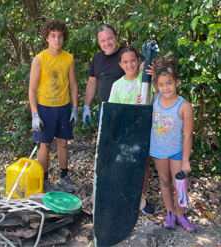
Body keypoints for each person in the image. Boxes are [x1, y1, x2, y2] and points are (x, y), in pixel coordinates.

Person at [138, 53, 197, 232]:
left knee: (180, 183)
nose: (165, 88)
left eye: (169, 83)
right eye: (162, 85)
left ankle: (181, 215)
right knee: (164, 182)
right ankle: (170, 213)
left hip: (177, 151)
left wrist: (186, 160)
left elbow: (188, 136)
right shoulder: (156, 98)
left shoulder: (184, 105)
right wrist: (150, 68)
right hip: (158, 150)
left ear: (177, 82)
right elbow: (149, 80)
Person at [28, 19, 79, 193]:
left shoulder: (69, 58)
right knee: (45, 145)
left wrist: (75, 109)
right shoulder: (39, 59)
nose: (57, 40)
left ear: (64, 38)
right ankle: (44, 180)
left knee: (63, 143)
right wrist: (35, 114)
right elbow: (32, 89)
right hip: (45, 108)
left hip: (63, 107)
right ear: (46, 38)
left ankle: (64, 178)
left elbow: (73, 85)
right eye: (53, 36)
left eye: (60, 36)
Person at [108, 46, 155, 215]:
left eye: (133, 60)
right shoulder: (117, 85)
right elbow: (114, 113)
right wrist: (130, 109)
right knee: (126, 165)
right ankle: (124, 196)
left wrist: (152, 78)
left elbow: (156, 99)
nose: (130, 65)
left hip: (145, 129)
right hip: (126, 133)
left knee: (143, 164)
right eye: (126, 62)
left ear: (139, 61)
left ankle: (140, 197)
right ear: (120, 64)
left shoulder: (146, 80)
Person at [83, 24, 144, 125]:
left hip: (128, 110)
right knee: (105, 140)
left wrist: (150, 56)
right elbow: (91, 84)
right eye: (103, 41)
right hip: (105, 110)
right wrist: (86, 107)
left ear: (116, 37)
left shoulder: (126, 54)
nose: (107, 43)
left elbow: (143, 65)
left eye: (110, 38)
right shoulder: (97, 58)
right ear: (99, 43)